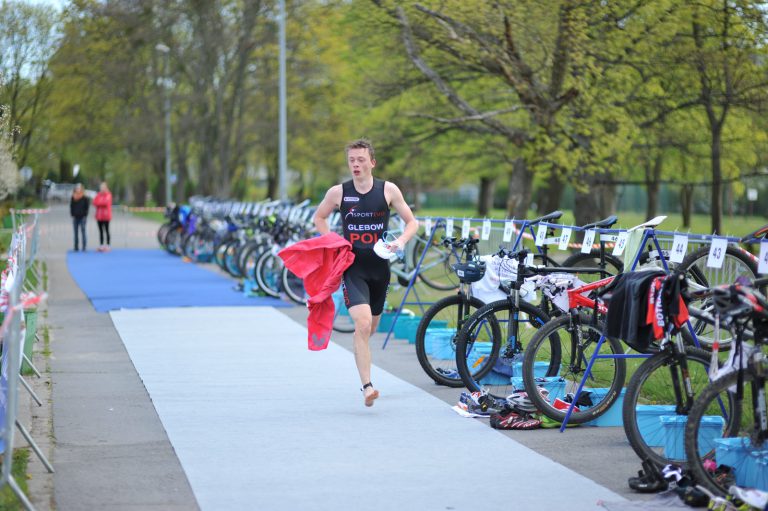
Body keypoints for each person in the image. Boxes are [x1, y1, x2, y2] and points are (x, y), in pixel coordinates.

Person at [313, 138, 418, 407]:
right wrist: (333, 242)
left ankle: (361, 352)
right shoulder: (339, 193)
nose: (356, 165)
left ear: (372, 162)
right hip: (353, 268)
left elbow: (412, 222)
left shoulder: (388, 190)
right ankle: (367, 387)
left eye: (361, 160)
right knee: (361, 325)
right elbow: (319, 217)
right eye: (351, 160)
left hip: (380, 269)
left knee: (370, 329)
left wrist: (400, 242)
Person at [93, 182, 113, 252]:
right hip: (99, 215)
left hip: (106, 215)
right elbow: (94, 202)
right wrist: (99, 203)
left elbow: (105, 203)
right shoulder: (98, 195)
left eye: (103, 187)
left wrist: (99, 203)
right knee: (100, 231)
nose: (102, 189)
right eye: (101, 187)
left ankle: (108, 245)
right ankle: (101, 245)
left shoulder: (108, 194)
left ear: (106, 187)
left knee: (107, 230)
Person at [70, 183, 90, 252]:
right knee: (75, 233)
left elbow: (87, 207)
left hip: (82, 217)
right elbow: (71, 206)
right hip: (75, 217)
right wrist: (72, 214)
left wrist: (85, 215)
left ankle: (84, 246)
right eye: (77, 188)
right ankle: (76, 247)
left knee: (83, 232)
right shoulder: (73, 197)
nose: (78, 189)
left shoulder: (85, 198)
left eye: (79, 188)